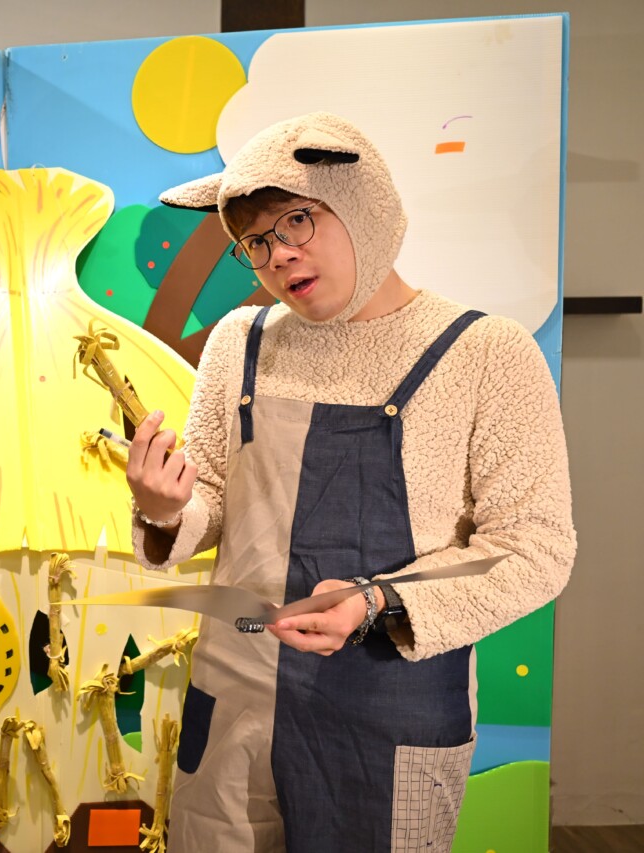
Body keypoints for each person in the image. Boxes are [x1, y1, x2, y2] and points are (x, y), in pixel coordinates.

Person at [125, 112, 575, 852]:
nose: (279, 255)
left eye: (297, 220)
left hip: (389, 714)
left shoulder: (487, 353)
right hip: (237, 697)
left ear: (363, 204)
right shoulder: (240, 342)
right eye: (255, 242)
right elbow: (213, 499)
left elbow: (535, 549)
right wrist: (164, 508)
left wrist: (375, 601)